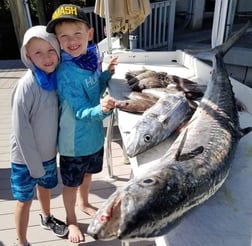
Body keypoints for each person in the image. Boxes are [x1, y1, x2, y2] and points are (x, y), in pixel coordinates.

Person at [46, 4, 117, 243]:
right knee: (71, 184)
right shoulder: (65, 71)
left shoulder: (89, 60)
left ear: (89, 34)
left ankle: (84, 202)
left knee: (87, 177)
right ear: (57, 41)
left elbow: (94, 91)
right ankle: (72, 220)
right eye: (63, 36)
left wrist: (106, 75)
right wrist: (103, 109)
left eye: (77, 33)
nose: (71, 41)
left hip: (94, 138)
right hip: (74, 144)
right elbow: (81, 111)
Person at [10, 25, 68, 246]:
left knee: (45, 187)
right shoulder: (26, 85)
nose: (46, 58)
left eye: (51, 50)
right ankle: (21, 241)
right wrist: (34, 165)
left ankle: (46, 218)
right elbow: (21, 129)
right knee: (23, 200)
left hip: (47, 154)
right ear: (28, 56)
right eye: (38, 53)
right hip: (24, 159)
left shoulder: (55, 80)